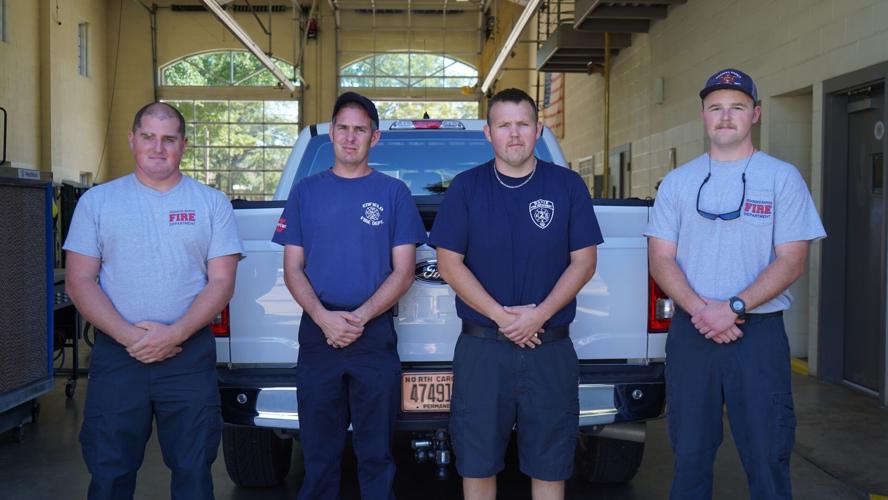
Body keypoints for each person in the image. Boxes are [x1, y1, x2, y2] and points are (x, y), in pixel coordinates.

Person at [645, 68, 827, 500]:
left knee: (767, 454)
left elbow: (792, 260)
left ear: (756, 114)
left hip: (757, 335)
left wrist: (734, 307)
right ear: (704, 116)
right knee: (689, 455)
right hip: (693, 334)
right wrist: (703, 310)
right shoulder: (678, 183)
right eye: (716, 108)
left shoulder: (782, 178)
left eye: (737, 108)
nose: (725, 117)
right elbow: (660, 258)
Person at [429, 88, 602, 500]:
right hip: (483, 350)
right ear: (488, 133)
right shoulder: (466, 189)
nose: (514, 134)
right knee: (477, 462)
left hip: (549, 349)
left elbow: (584, 262)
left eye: (523, 124)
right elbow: (450, 264)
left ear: (538, 129)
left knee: (550, 462)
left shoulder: (567, 186)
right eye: (504, 125)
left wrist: (538, 315)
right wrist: (505, 318)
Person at [64, 102, 243, 500]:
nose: (157, 147)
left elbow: (221, 282)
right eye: (148, 136)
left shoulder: (212, 203)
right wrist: (129, 336)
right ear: (132, 140)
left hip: (188, 357)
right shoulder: (98, 202)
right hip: (117, 357)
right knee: (109, 473)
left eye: (169, 139)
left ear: (184, 144)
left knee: (194, 473)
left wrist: (174, 334)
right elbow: (80, 281)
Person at [272, 92, 426, 500]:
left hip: (373, 336)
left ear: (374, 138)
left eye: (361, 129)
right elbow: (292, 269)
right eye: (343, 128)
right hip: (318, 335)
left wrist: (359, 318)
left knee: (376, 452)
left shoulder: (394, 194)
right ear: (331, 133)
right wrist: (324, 318)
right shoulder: (306, 192)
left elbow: (404, 271)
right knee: (319, 453)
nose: (351, 137)